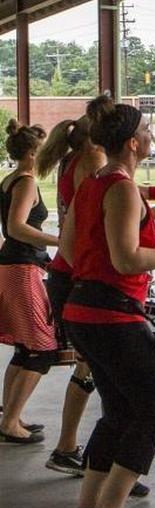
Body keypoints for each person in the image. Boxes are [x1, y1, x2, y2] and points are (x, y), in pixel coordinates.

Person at [58, 96, 155, 508]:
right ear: (132, 143)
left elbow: (68, 249)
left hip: (84, 311)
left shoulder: (94, 184)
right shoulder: (120, 186)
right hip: (111, 317)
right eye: (145, 130)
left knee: (120, 413)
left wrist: (153, 212)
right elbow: (125, 260)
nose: (150, 134)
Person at [35, 116, 108, 476]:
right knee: (104, 369)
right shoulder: (93, 160)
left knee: (90, 367)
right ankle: (104, 461)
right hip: (78, 275)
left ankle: (72, 449)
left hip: (68, 272)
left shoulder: (73, 159)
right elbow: (97, 218)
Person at [0, 121, 57, 445]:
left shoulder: (11, 179)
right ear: (34, 152)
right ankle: (10, 422)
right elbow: (16, 227)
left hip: (15, 264)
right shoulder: (26, 182)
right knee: (41, 350)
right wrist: (58, 240)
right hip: (22, 267)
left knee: (25, 347)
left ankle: (10, 415)